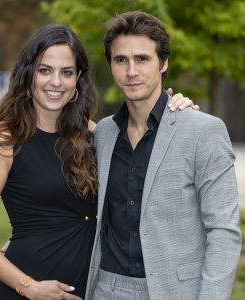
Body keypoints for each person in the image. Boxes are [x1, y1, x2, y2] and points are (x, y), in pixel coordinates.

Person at [0, 23, 196, 300]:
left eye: (67, 72)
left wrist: (176, 109)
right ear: (28, 76)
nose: (56, 82)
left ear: (78, 82)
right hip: (32, 286)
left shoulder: (94, 134)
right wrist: (27, 286)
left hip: (92, 286)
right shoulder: (4, 140)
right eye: (45, 70)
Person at [85, 11, 241, 300]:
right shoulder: (103, 134)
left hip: (175, 291)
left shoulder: (202, 131)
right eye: (121, 60)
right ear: (111, 65)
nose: (131, 71)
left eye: (142, 59)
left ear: (163, 63)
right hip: (106, 289)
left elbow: (223, 232)